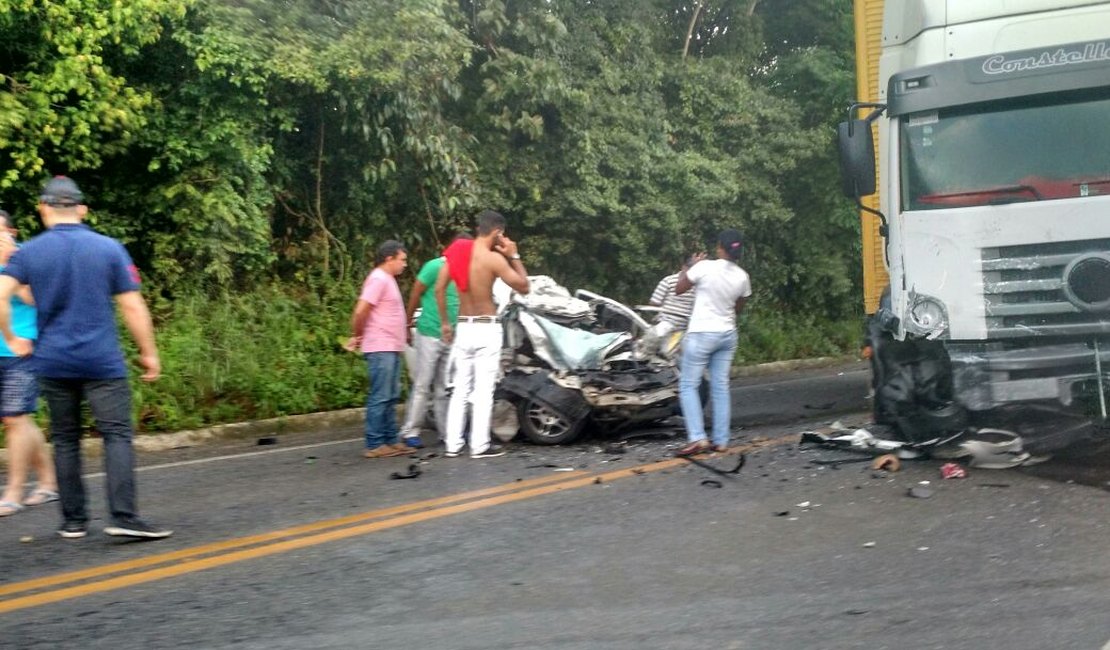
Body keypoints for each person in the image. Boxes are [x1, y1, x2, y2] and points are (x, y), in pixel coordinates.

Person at [0, 176, 170, 539]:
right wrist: (149, 353)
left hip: (53, 361)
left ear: (43, 208)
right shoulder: (109, 248)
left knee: (64, 438)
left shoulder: (28, 252)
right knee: (116, 435)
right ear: (82, 209)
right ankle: (123, 517)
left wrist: (13, 338)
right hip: (101, 361)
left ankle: (73, 521)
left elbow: (1, 295)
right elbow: (132, 306)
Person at [435, 210, 529, 459]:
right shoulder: (493, 260)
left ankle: (452, 445)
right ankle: (479, 445)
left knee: (460, 390)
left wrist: (445, 322)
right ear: (497, 232)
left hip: (463, 326)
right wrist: (514, 255)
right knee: (483, 390)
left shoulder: (456, 252)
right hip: (486, 327)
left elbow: (439, 288)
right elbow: (524, 286)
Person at [0, 210, 58, 517]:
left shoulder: (23, 259)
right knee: (17, 420)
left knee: (15, 418)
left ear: (13, 231)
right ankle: (49, 482)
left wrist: (9, 261)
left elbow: (39, 299)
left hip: (20, 349)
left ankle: (13, 492)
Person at [673, 229, 752, 456]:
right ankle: (722, 440)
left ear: (719, 248)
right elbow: (738, 307)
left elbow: (679, 289)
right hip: (727, 335)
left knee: (688, 385)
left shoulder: (705, 267)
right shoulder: (742, 276)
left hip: (702, 333)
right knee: (720, 386)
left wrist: (689, 266)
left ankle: (698, 438)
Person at [398, 234, 470, 448]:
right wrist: (408, 322)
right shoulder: (434, 266)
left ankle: (447, 432)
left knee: (443, 387)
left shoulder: (465, 269)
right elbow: (416, 292)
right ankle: (410, 431)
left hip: (452, 336)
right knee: (423, 384)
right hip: (429, 332)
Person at [345, 240, 412, 458]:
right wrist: (357, 335)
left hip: (390, 346)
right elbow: (360, 311)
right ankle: (374, 444)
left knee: (391, 396)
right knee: (381, 396)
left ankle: (390, 440)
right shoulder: (378, 278)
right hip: (381, 346)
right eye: (402, 260)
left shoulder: (387, 279)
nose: (405, 264)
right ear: (389, 258)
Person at [647, 256, 698, 357]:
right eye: (690, 268)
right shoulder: (668, 281)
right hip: (666, 322)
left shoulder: (697, 287)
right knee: (657, 334)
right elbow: (654, 302)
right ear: (683, 267)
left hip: (685, 328)